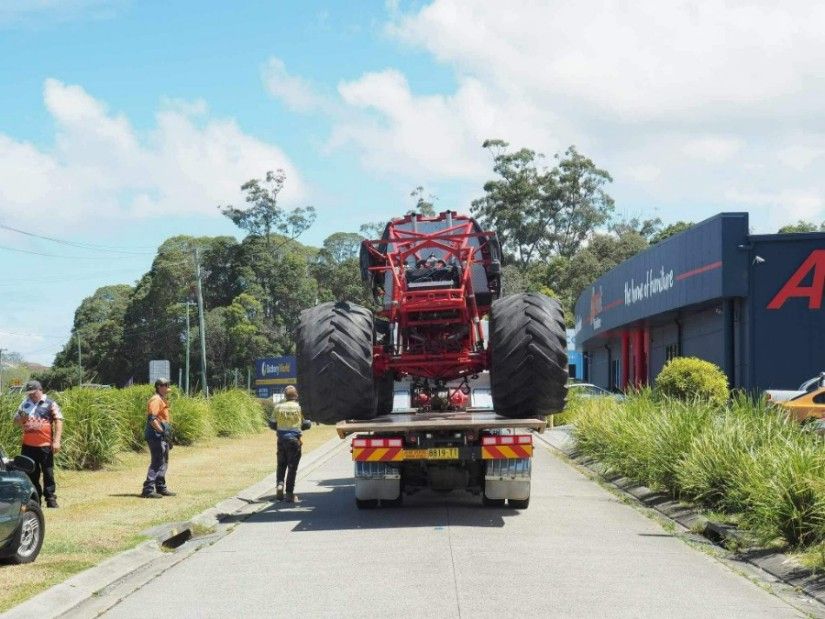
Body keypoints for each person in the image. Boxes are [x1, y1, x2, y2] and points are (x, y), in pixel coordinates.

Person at [13, 380, 63, 508]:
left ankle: (50, 498)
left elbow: (59, 421)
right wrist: (21, 418)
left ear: (40, 390)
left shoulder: (50, 403)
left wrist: (56, 441)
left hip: (45, 445)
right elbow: (16, 422)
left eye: (33, 393)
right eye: (29, 394)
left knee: (48, 472)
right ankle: (36, 499)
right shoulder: (25, 404)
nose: (31, 396)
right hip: (28, 446)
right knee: (31, 473)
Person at [270, 385, 309, 503]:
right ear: (296, 395)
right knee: (292, 467)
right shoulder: (299, 408)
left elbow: (272, 424)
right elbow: (306, 424)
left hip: (281, 440)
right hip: (294, 441)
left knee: (281, 465)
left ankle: (280, 485)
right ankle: (289, 494)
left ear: (285, 396)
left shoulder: (278, 407)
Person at [141, 377, 176, 499]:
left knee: (163, 461)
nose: (167, 390)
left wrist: (167, 435)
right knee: (157, 461)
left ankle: (160, 487)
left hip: (161, 435)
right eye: (166, 387)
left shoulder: (161, 399)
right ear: (159, 387)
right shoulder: (155, 400)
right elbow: (152, 419)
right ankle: (148, 489)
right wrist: (162, 432)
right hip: (156, 436)